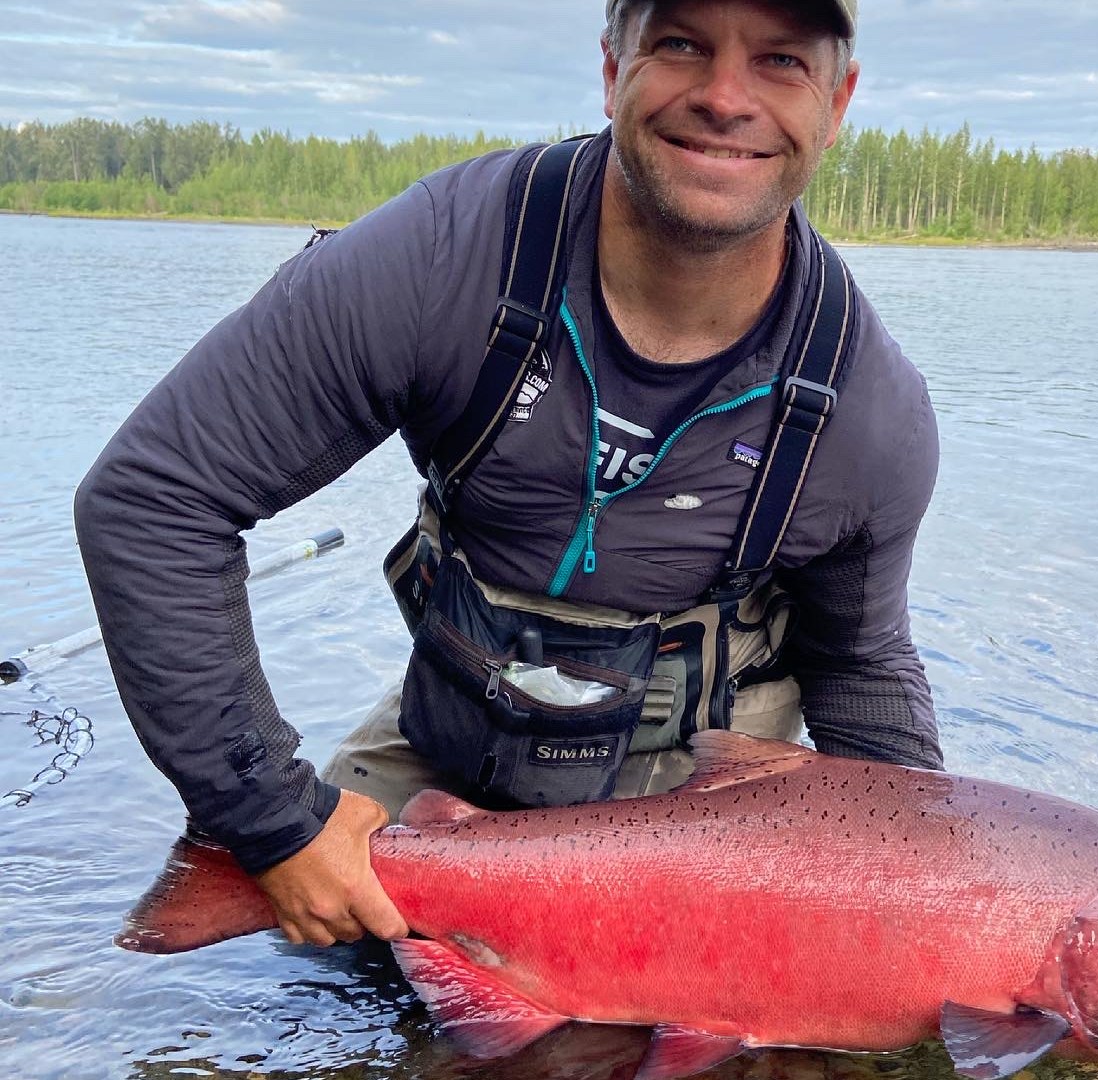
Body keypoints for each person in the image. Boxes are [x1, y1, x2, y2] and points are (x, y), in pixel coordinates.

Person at [74, 0, 940, 952]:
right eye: (681, 44)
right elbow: (152, 501)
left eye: (780, 60)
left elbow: (860, 667)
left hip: (692, 795)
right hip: (453, 730)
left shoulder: (867, 408)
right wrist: (274, 820)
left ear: (838, 101)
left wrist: (942, 897)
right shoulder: (443, 260)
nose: (725, 98)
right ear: (614, 69)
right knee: (302, 942)